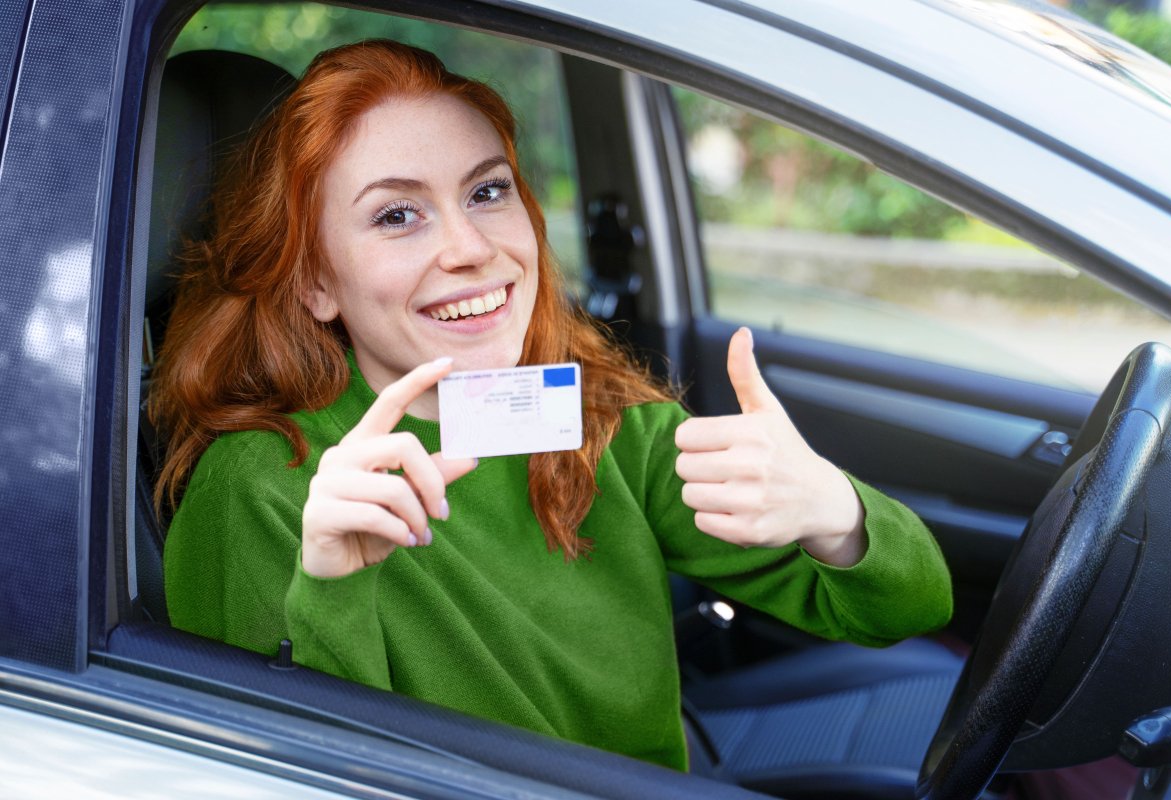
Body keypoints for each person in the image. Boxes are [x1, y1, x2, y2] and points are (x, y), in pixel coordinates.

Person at [150, 39, 953, 772]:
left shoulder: (593, 415)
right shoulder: (258, 487)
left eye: (487, 191)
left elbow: (906, 608)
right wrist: (329, 586)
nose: (469, 248)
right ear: (315, 282)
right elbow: (286, 770)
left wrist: (834, 513)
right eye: (397, 215)